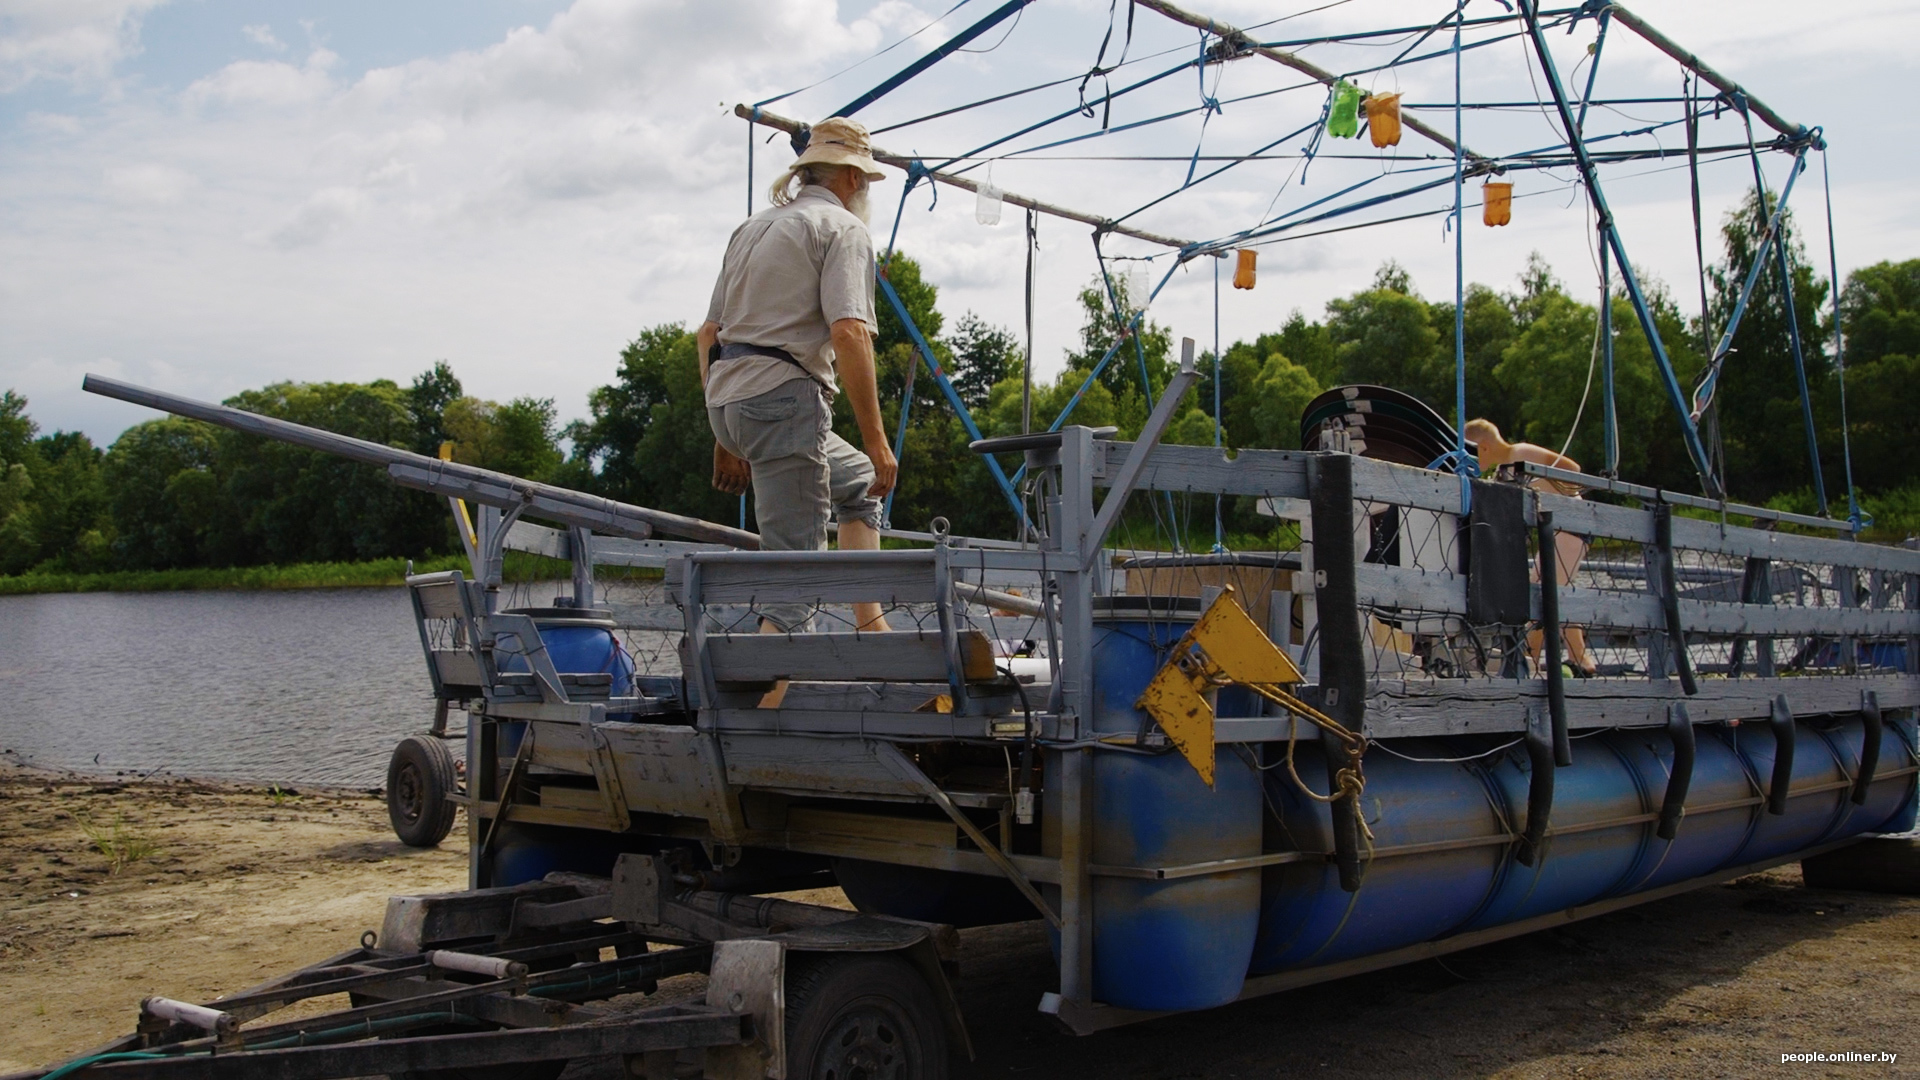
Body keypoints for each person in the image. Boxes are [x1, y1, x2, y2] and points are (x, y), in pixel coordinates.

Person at [696, 116, 897, 650]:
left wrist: (724, 437)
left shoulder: (753, 227)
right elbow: (850, 332)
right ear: (853, 179)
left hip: (731, 401)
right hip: (785, 402)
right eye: (867, 181)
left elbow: (709, 334)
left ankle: (874, 634)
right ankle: (754, 722)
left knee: (859, 486)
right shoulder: (844, 229)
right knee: (796, 587)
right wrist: (878, 442)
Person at [1464, 418, 1598, 677]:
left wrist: (1559, 493)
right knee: (1552, 592)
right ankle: (1581, 661)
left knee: (1540, 592)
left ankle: (1532, 660)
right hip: (1555, 531)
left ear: (1483, 447)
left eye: (1471, 453)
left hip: (1573, 525)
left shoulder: (1523, 453)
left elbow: (1573, 468)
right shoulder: (1503, 471)